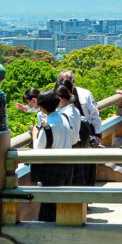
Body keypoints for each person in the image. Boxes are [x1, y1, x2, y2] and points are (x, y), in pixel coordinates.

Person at [31, 90, 73, 223]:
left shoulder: (48, 127)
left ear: (42, 107)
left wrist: (34, 133)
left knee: (48, 205)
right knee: (62, 204)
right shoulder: (64, 117)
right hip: (67, 165)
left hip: (51, 169)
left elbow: (37, 149)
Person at [58, 69, 102, 137]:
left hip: (86, 131)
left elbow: (94, 114)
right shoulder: (55, 96)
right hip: (66, 133)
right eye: (62, 80)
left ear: (73, 80)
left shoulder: (85, 94)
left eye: (68, 80)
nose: (65, 82)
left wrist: (98, 134)